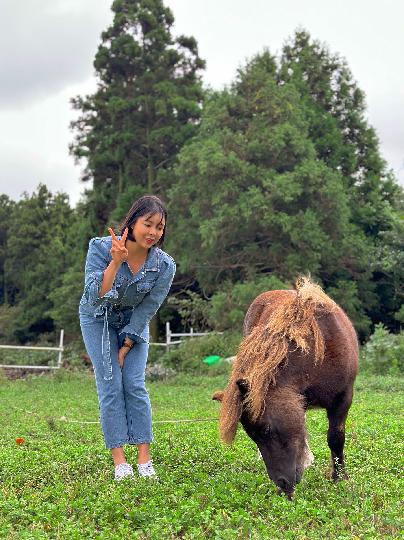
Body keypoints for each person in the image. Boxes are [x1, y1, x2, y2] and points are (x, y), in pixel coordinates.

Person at [79, 195, 176, 481]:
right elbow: (94, 298)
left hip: (134, 320)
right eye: (148, 224)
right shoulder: (100, 247)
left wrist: (128, 341)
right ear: (132, 222)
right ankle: (120, 462)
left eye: (159, 227)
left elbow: (149, 305)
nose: (153, 232)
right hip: (98, 319)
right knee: (110, 385)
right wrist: (115, 262)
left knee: (134, 384)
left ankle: (144, 460)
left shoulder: (164, 265)